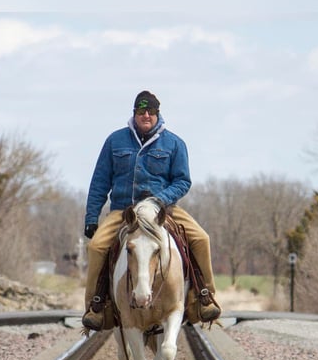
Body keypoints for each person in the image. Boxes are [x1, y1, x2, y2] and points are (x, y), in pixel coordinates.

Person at [81, 90, 221, 331]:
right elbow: (99, 182)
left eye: (151, 111)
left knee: (201, 238)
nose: (146, 115)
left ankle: (204, 298)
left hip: (163, 210)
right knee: (96, 247)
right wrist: (92, 217)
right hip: (124, 212)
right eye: (141, 111)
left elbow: (182, 181)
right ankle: (97, 306)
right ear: (134, 113)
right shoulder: (115, 141)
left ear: (158, 113)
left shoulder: (175, 143)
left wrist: (160, 200)